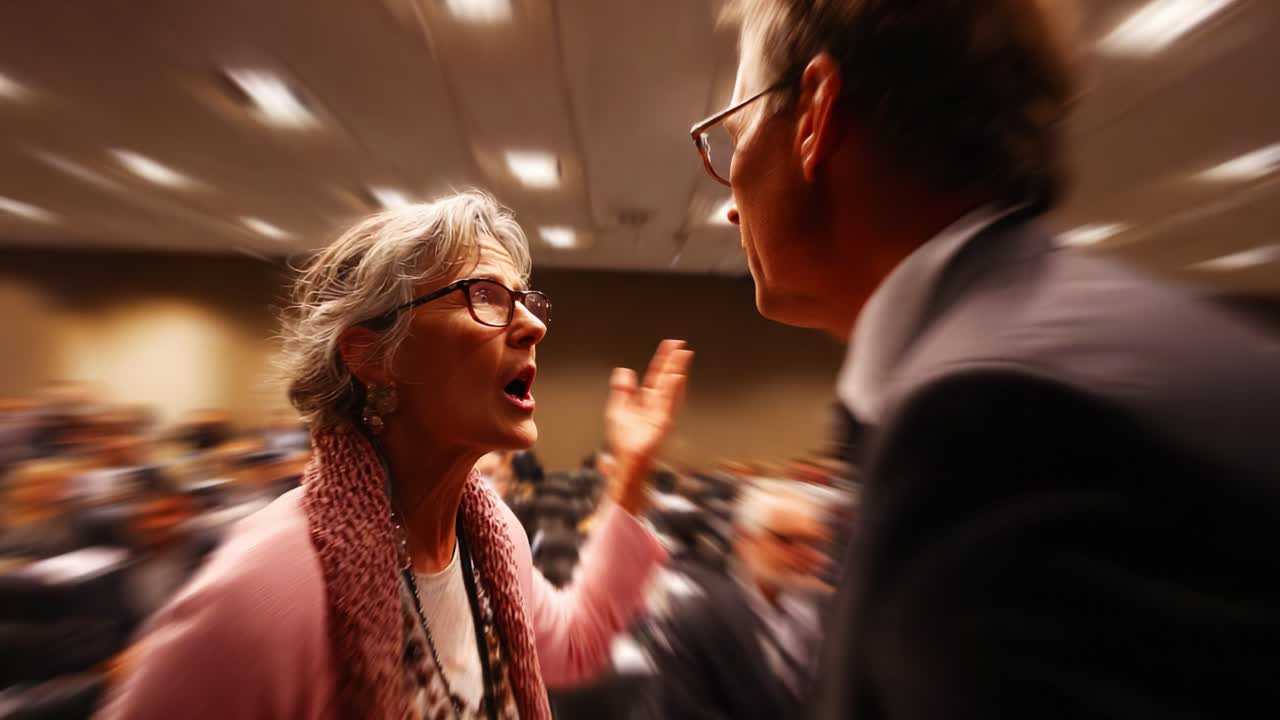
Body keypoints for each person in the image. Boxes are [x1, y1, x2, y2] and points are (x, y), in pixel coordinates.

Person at [693, 1, 1280, 717]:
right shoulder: (1060, 342)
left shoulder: (986, 421)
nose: (728, 205)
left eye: (737, 131)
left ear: (815, 113)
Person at [97, 191, 693, 720]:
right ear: (374, 355)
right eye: (484, 296)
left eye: (525, 299)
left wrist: (633, 469)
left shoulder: (488, 534)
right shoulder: (261, 593)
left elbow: (575, 642)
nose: (533, 324)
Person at [630, 486, 833, 719]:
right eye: (789, 541)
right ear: (746, 541)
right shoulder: (694, 620)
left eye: (815, 543)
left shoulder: (830, 611)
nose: (811, 556)